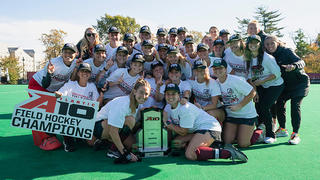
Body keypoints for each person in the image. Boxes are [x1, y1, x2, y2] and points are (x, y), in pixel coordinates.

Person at [163, 83, 248, 162]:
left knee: (190, 154)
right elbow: (165, 114)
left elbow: (183, 131)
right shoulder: (168, 106)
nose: (170, 96)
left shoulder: (185, 109)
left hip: (210, 128)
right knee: (176, 143)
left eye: (173, 94)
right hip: (198, 130)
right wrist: (165, 118)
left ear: (178, 95)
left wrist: (168, 124)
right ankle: (203, 146)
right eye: (168, 94)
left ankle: (227, 152)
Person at [28, 43, 78, 150]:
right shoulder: (54, 63)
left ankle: (52, 134)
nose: (68, 54)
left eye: (71, 52)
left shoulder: (75, 63)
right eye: (65, 52)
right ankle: (45, 138)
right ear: (62, 53)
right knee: (41, 110)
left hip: (54, 89)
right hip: (38, 85)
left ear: (76, 54)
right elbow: (45, 84)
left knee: (58, 109)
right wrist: (50, 74)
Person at [264, 35, 310, 145]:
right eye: (267, 44)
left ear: (277, 43)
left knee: (295, 105)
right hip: (285, 86)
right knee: (279, 102)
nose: (270, 46)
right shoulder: (267, 55)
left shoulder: (286, 51)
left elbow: (301, 62)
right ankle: (282, 129)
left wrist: (293, 66)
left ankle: (295, 134)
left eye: (272, 43)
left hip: (300, 83)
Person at [95, 78, 151, 164]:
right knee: (130, 120)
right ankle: (113, 150)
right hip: (97, 126)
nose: (143, 96)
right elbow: (113, 130)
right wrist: (125, 153)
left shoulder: (137, 104)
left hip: (108, 125)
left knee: (132, 145)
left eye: (146, 94)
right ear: (135, 91)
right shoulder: (123, 104)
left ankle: (107, 143)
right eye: (141, 92)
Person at [244, 35, 284, 144]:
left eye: (255, 43)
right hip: (262, 86)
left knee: (264, 107)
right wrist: (255, 92)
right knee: (258, 106)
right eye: (250, 43)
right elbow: (250, 78)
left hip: (276, 85)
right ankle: (261, 131)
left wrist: (261, 81)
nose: (253, 45)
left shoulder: (267, 58)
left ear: (259, 44)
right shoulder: (247, 59)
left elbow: (277, 74)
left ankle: (271, 134)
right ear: (247, 45)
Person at [55, 63, 103, 152]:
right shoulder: (71, 84)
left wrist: (101, 97)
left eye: (87, 71)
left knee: (92, 143)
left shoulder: (92, 86)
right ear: (78, 73)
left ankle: (79, 136)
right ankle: (68, 140)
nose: (85, 73)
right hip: (71, 118)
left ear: (90, 74)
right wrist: (59, 94)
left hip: (85, 119)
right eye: (82, 71)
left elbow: (97, 104)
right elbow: (60, 94)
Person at [212, 58, 257, 148]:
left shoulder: (235, 80)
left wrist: (239, 106)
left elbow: (252, 92)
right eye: (215, 69)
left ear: (226, 69)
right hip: (231, 116)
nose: (218, 71)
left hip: (246, 115)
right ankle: (242, 133)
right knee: (227, 142)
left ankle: (259, 132)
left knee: (243, 144)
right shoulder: (215, 83)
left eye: (220, 68)